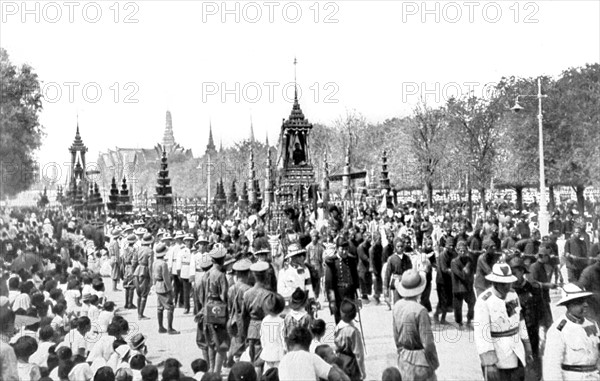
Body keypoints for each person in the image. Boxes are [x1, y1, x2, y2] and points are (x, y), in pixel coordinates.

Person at [474, 263, 533, 381]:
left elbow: (519, 320)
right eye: (503, 283)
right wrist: (489, 363)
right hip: (498, 354)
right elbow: (481, 334)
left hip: (516, 350)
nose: (506, 286)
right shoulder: (484, 301)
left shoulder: (512, 294)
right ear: (494, 282)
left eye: (508, 283)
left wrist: (527, 347)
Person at [543, 283, 599, 381]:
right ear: (569, 305)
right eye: (580, 302)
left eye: (585, 301)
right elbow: (551, 367)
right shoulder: (558, 330)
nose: (585, 305)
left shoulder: (592, 324)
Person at [392, 269, 439, 381]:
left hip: (404, 358)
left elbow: (396, 336)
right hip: (421, 361)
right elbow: (427, 342)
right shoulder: (421, 311)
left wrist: (401, 352)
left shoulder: (397, 306)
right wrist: (434, 361)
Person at [509, 257, 548, 381]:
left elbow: (542, 312)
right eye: (511, 273)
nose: (514, 276)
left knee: (534, 365)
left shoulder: (534, 288)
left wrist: (542, 332)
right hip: (514, 334)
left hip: (532, 333)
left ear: (522, 272)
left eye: (516, 272)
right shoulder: (507, 292)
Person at [197, 245, 229, 375]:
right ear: (222, 259)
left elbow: (201, 295)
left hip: (206, 309)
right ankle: (216, 371)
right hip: (218, 309)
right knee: (221, 343)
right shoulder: (221, 275)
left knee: (210, 341)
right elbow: (224, 296)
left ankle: (211, 368)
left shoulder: (206, 275)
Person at [278, 326, 348, 381]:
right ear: (308, 344)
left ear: (290, 344)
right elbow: (333, 375)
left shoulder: (283, 361)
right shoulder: (310, 357)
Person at [241, 261, 273, 377]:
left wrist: (245, 332)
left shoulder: (247, 293)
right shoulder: (268, 294)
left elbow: (244, 316)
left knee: (254, 358)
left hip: (252, 328)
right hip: (265, 327)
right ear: (265, 276)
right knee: (261, 361)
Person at [325, 238, 360, 324]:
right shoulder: (331, 262)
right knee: (340, 322)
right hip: (338, 296)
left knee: (350, 319)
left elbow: (356, 281)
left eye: (346, 249)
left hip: (350, 294)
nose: (344, 252)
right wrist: (332, 301)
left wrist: (358, 297)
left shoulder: (352, 260)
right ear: (337, 249)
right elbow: (329, 284)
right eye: (342, 249)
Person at [334, 300, 366, 381]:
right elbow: (358, 353)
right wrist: (362, 370)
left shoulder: (338, 327)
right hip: (351, 364)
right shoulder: (353, 331)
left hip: (340, 360)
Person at [151, 243, 179, 335]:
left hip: (157, 285)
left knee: (160, 307)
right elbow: (166, 278)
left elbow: (153, 275)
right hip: (163, 286)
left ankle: (161, 327)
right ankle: (170, 328)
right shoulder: (164, 264)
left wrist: (154, 284)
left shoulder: (155, 262)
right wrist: (170, 289)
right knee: (170, 307)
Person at [451, 240, 475, 328]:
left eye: (464, 250)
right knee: (458, 307)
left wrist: (470, 279)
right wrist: (466, 272)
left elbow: (472, 272)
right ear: (457, 251)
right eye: (460, 250)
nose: (462, 252)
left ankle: (469, 319)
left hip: (468, 286)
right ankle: (459, 322)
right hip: (458, 287)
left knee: (472, 302)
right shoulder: (454, 262)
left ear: (467, 250)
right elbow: (461, 275)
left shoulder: (469, 260)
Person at [259, 292, 286, 372]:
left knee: (267, 372)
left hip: (267, 351)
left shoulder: (264, 320)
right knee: (279, 373)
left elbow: (262, 336)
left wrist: (264, 347)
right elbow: (283, 337)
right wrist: (285, 349)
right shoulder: (281, 321)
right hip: (278, 352)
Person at [383, 236, 413, 306]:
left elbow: (410, 271)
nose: (400, 248)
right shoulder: (391, 259)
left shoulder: (407, 258)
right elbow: (387, 274)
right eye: (398, 246)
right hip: (396, 283)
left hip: (405, 282)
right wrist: (385, 287)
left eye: (401, 246)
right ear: (395, 247)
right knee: (397, 302)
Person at [133, 233, 154, 320]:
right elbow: (150, 265)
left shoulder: (138, 249)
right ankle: (140, 314)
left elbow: (134, 261)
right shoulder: (150, 251)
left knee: (138, 294)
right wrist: (152, 277)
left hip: (137, 270)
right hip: (144, 271)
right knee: (144, 294)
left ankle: (139, 313)